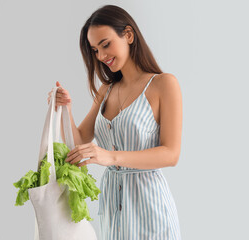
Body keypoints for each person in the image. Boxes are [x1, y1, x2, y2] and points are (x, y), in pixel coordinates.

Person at [47, 4, 182, 240]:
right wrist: (64, 109)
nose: (101, 56)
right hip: (112, 209)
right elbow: (78, 142)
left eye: (106, 44)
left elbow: (171, 154)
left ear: (128, 35)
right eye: (95, 50)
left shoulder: (164, 84)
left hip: (151, 209)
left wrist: (111, 156)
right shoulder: (106, 91)